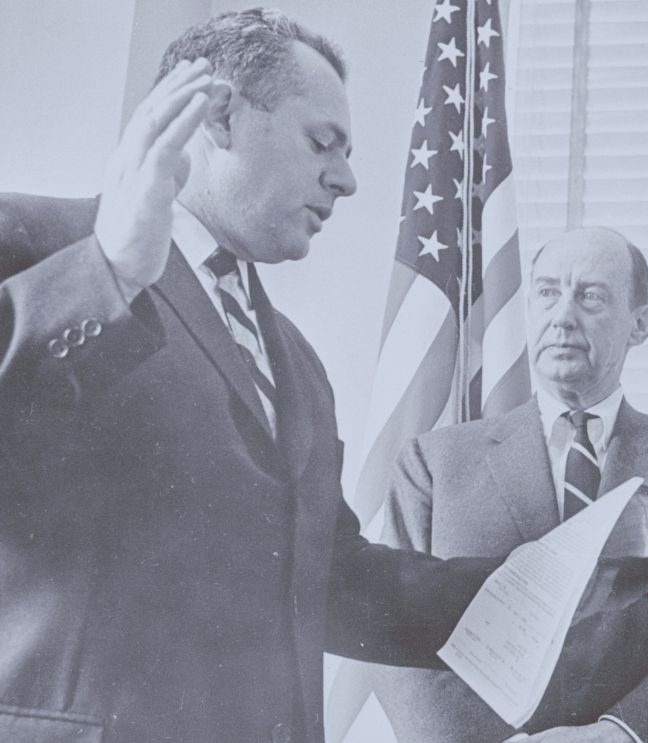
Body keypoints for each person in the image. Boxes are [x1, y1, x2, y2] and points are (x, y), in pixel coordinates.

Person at [0, 10, 504, 743]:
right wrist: (105, 277)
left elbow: (327, 581)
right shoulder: (33, 245)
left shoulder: (298, 363)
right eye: (322, 141)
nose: (348, 179)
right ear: (219, 116)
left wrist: (544, 584)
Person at [370, 227, 648, 743]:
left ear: (640, 325)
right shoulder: (434, 463)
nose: (563, 316)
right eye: (546, 292)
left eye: (591, 295)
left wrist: (619, 735)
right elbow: (388, 627)